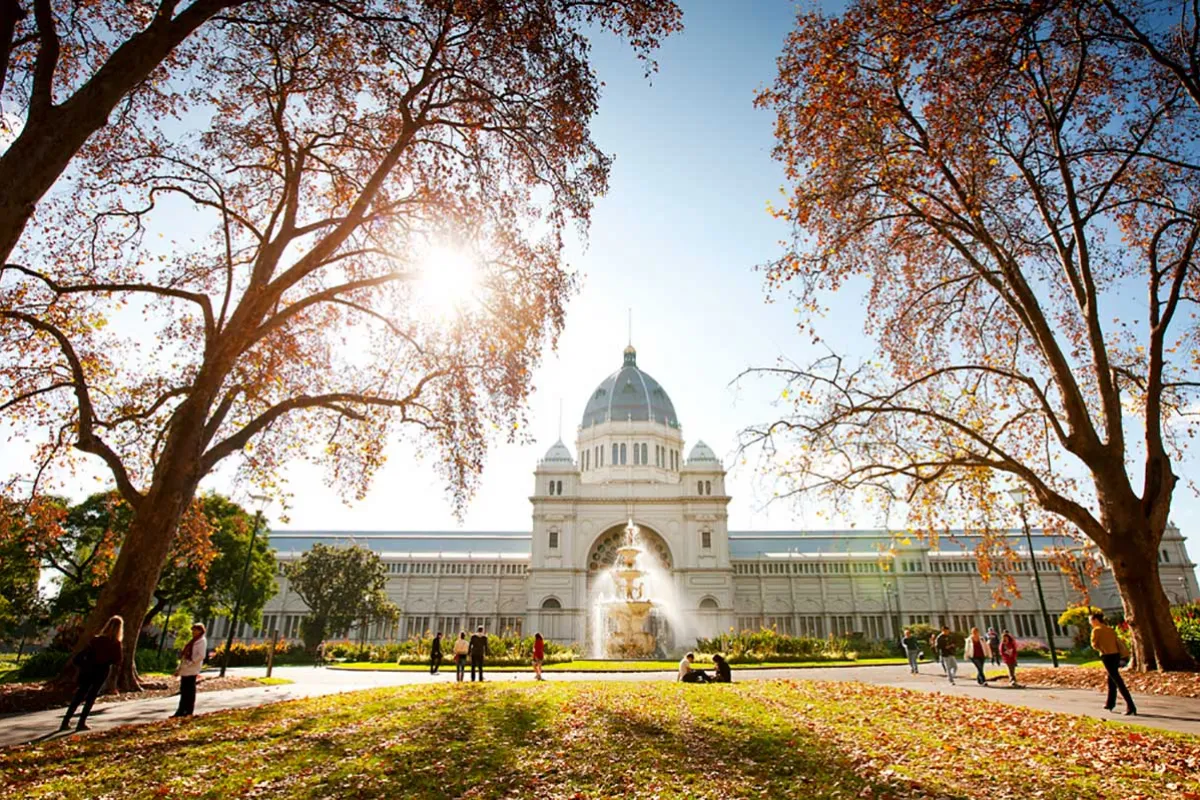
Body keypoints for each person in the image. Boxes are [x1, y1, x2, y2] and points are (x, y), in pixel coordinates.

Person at [60, 615, 124, 732]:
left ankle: (65, 721)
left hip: (88, 669)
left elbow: (86, 653)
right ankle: (81, 722)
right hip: (102, 671)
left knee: (79, 695)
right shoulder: (115, 643)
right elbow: (117, 660)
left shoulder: (96, 640)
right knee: (91, 696)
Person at [1090, 612, 1136, 715]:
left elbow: (1094, 644)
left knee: (1117, 680)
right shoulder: (1110, 630)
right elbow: (1116, 642)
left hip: (1106, 656)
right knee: (1111, 678)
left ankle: (1131, 706)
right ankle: (1110, 703)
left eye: (1091, 620)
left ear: (1096, 620)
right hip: (1115, 655)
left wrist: (1102, 649)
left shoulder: (1096, 630)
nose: (1091, 623)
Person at [172, 623, 207, 718]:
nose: (194, 632)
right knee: (183, 690)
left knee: (189, 691)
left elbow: (201, 655)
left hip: (192, 669)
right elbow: (184, 655)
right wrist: (178, 669)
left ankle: (188, 711)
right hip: (185, 668)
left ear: (200, 631)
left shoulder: (202, 641)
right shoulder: (192, 641)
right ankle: (181, 710)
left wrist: (191, 662)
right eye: (193, 630)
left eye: (196, 630)